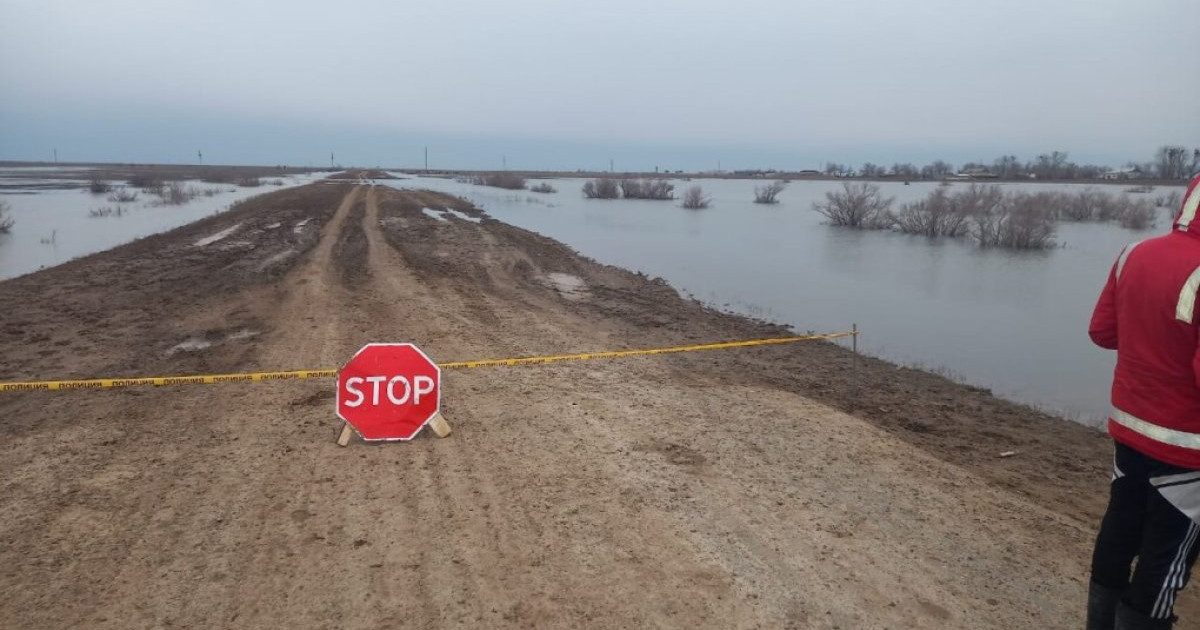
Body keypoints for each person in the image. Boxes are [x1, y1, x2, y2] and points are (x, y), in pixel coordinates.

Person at [1087, 173, 1200, 630]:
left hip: (1129, 429)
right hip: (1189, 450)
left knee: (1119, 533)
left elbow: (1102, 333)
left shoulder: (1134, 253)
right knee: (1164, 560)